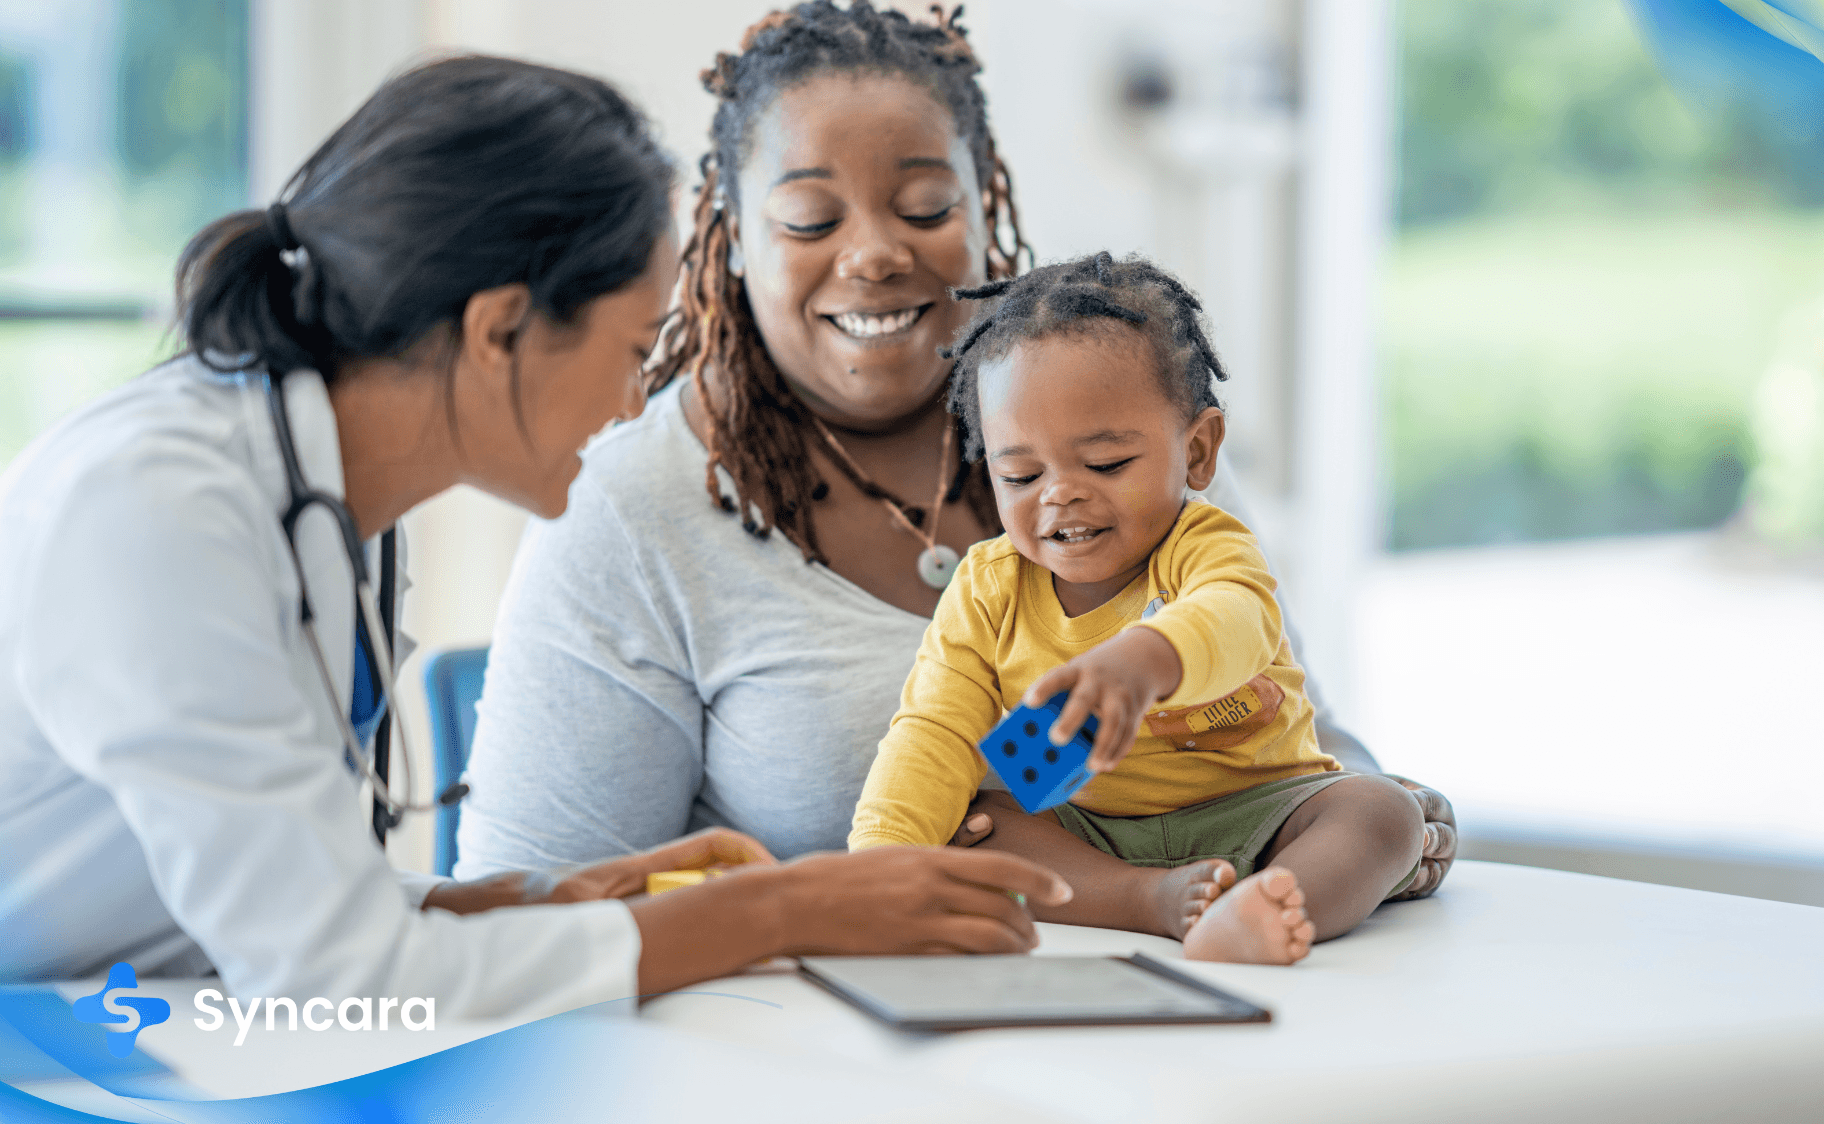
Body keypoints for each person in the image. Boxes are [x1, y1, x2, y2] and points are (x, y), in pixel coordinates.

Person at [0, 55, 1066, 1015]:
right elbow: (337, 978)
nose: (636, 393)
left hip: (127, 1020)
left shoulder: (329, 507)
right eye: (634, 345)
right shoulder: (152, 511)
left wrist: (526, 901)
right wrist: (784, 907)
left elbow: (276, 906)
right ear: (499, 328)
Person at [456, 2, 1455, 898]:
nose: (875, 252)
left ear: (988, 208)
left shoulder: (1127, 427)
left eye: (926, 208)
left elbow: (1288, 717)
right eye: (808, 217)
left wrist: (1376, 809)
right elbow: (533, 910)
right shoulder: (631, 510)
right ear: (728, 238)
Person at [849, 253, 1423, 965]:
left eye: (1106, 464)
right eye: (1022, 474)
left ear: (1199, 452)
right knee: (977, 824)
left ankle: (1271, 902)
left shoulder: (1206, 544)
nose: (1059, 494)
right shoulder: (988, 590)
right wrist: (875, 870)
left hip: (1263, 813)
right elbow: (931, 734)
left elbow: (1238, 619)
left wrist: (1147, 659)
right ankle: (1149, 902)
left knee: (1382, 813)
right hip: (1097, 839)